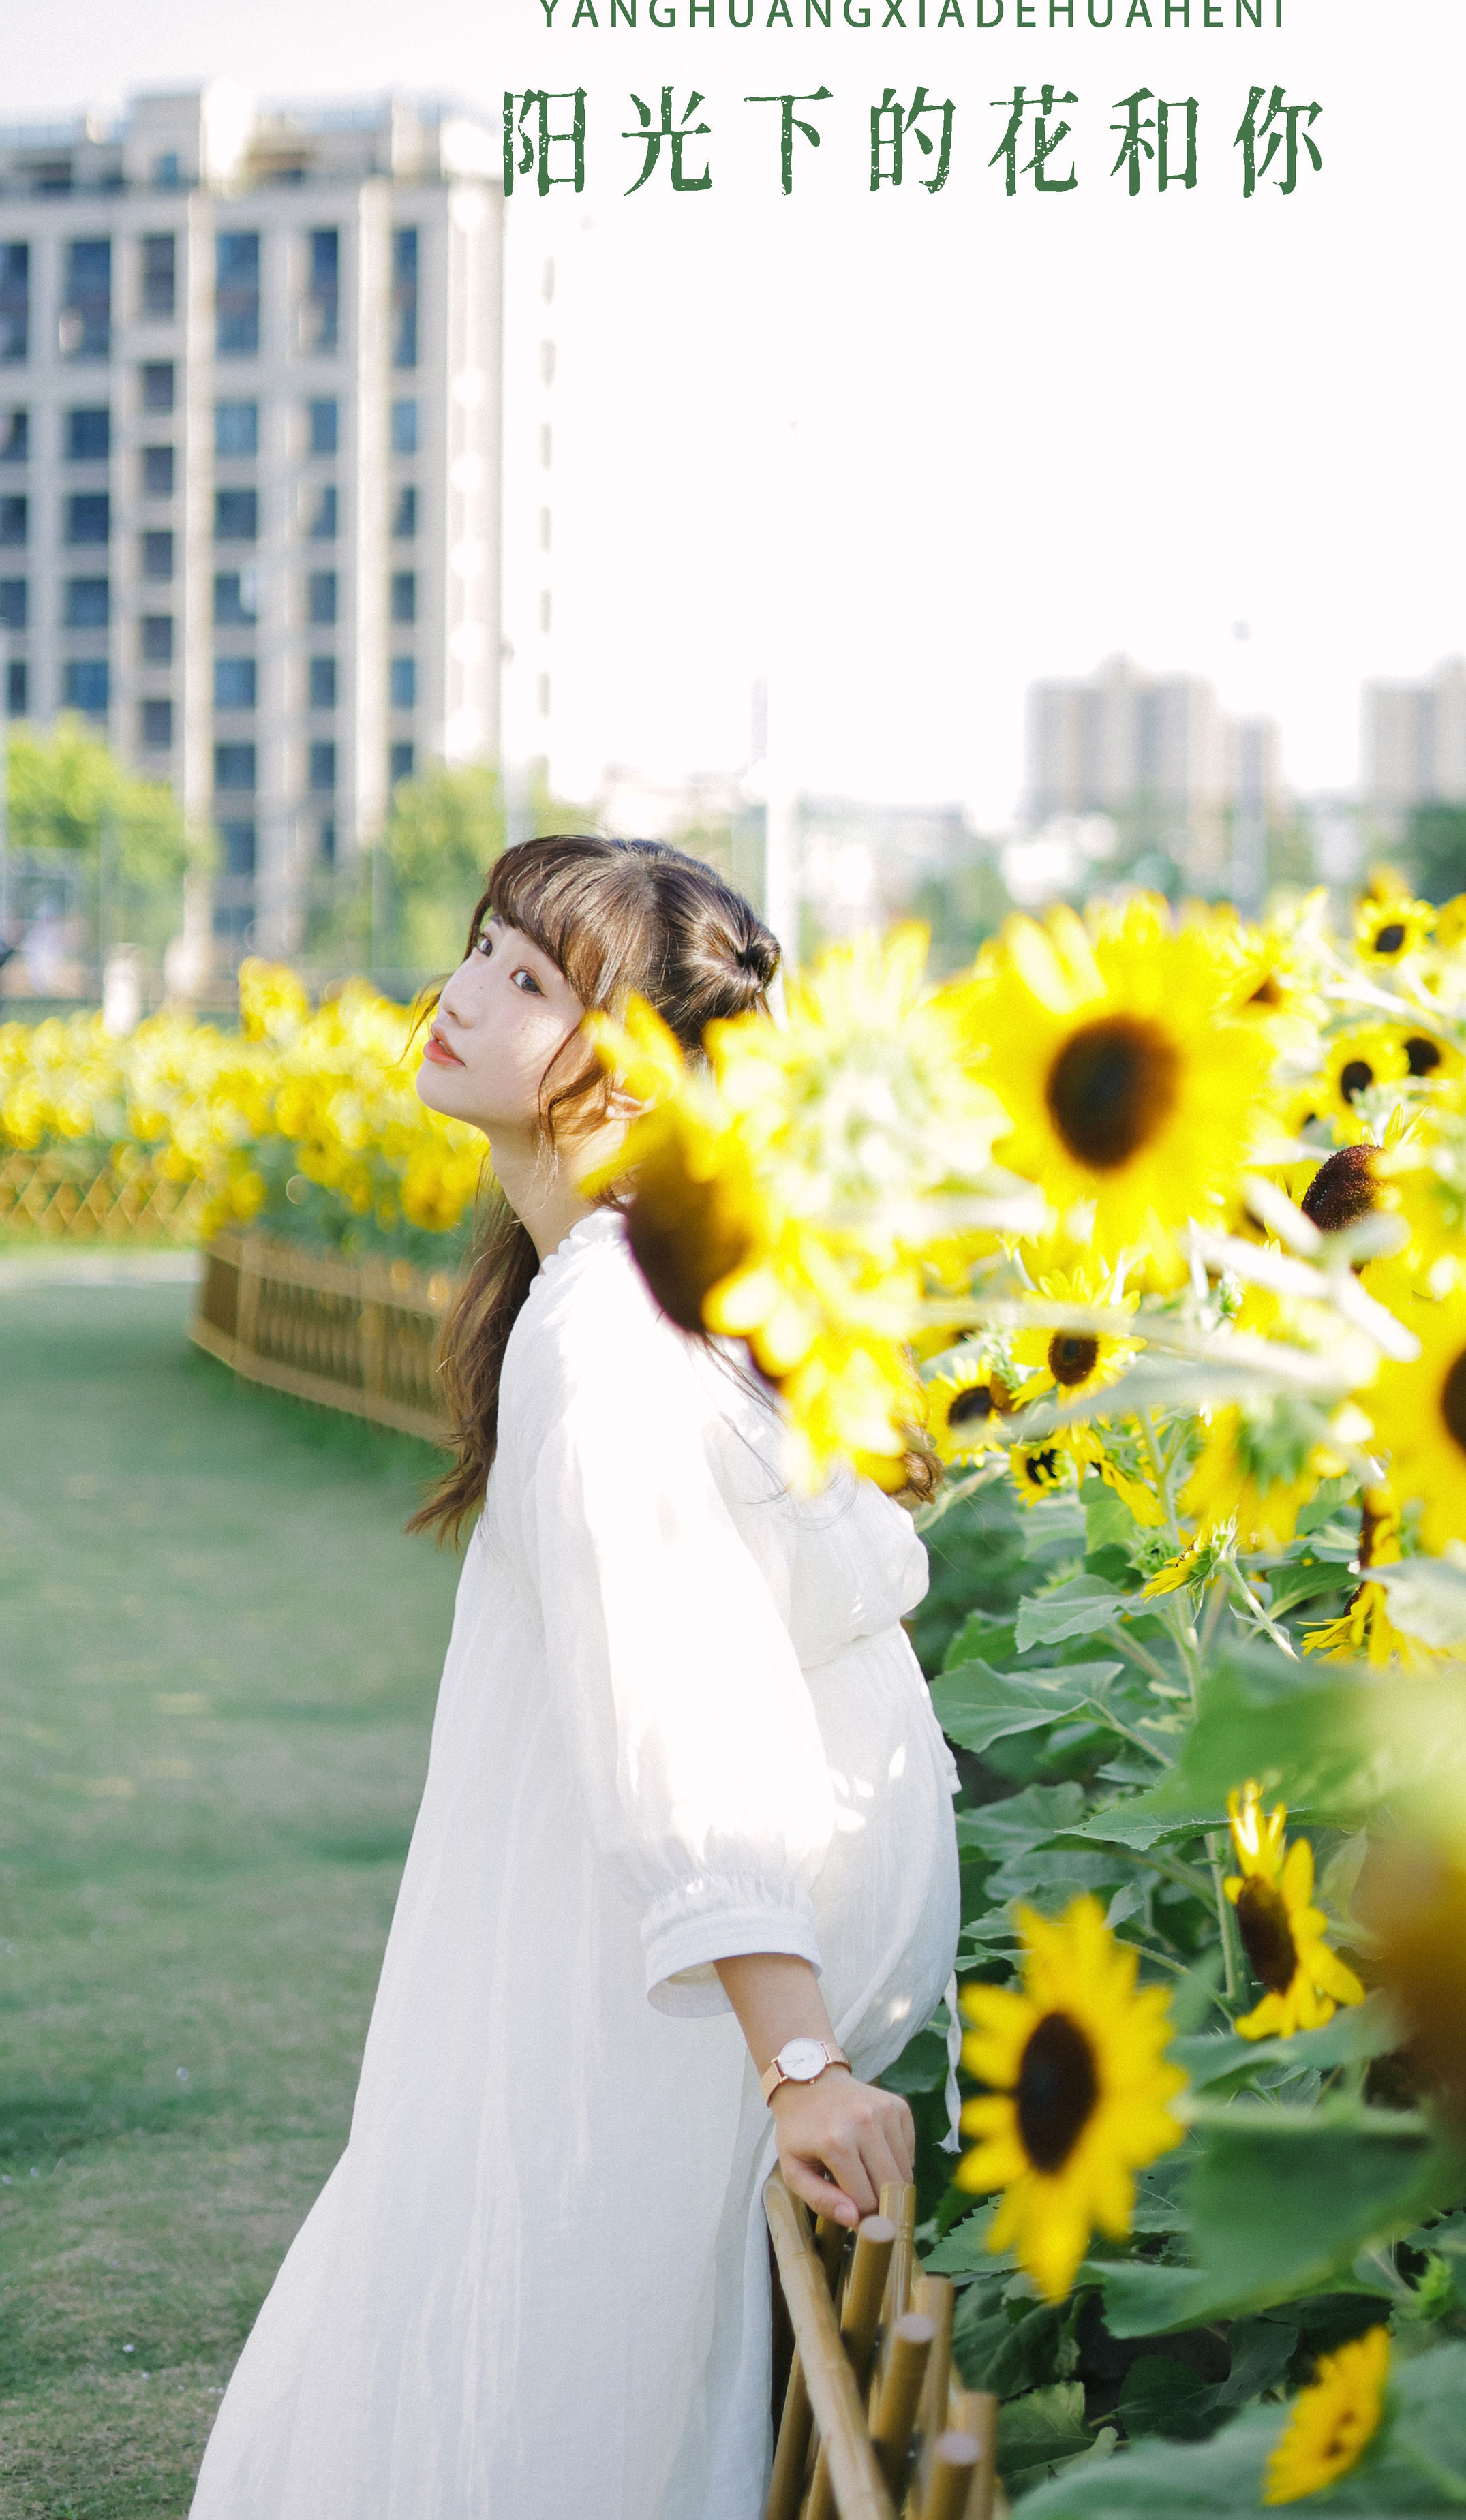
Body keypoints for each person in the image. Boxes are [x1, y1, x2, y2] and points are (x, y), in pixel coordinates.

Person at [189, 835, 962, 2520]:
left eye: (532, 979)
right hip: (657, 1950)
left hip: (684, 1979)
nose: (464, 991)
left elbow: (681, 1693)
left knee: (537, 2351)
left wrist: (802, 2063)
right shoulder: (612, 1285)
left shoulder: (606, 1331)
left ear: (633, 1072)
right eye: (482, 949)